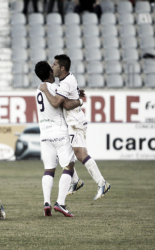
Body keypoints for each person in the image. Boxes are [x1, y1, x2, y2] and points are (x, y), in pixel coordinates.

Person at [39, 54, 111, 201]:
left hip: (75, 122)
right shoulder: (65, 80)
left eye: (55, 64)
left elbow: (60, 103)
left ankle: (102, 183)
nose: (52, 67)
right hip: (70, 123)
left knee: (80, 154)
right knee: (62, 154)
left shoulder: (65, 83)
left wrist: (45, 90)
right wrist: (77, 95)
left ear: (62, 67)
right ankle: (76, 181)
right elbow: (68, 96)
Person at [35, 61, 84, 217]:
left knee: (49, 169)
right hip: (59, 132)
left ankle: (46, 203)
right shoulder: (55, 88)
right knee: (68, 167)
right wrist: (80, 100)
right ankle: (61, 203)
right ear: (50, 72)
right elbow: (65, 104)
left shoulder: (38, 90)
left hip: (44, 134)